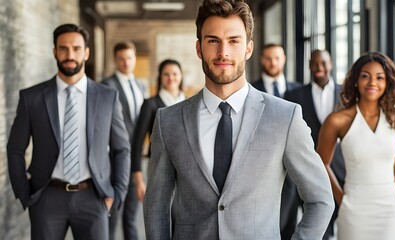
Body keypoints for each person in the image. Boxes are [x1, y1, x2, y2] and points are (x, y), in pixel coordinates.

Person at [143, 0, 334, 239]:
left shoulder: (285, 117)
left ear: (248, 48)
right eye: (213, 40)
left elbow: (320, 199)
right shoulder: (168, 120)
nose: (223, 52)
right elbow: (156, 206)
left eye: (234, 41)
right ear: (199, 48)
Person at [7, 23, 130, 240]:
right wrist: (26, 195)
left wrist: (117, 193)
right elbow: (15, 149)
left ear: (86, 53)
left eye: (76, 48)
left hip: (94, 197)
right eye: (63, 48)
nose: (69, 54)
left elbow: (121, 149)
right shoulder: (31, 98)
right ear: (54, 52)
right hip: (47, 198)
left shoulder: (107, 97)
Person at [317, 51, 395, 240]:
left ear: (387, 82)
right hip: (354, 209)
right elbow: (320, 162)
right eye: (365, 76)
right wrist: (342, 200)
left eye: (380, 77)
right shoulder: (337, 120)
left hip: (390, 210)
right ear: (356, 80)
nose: (372, 82)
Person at [285, 49, 345, 240]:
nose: (319, 67)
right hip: (310, 168)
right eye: (314, 64)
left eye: (324, 63)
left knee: (346, 224)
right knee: (319, 223)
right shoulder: (293, 95)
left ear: (331, 64)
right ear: (309, 66)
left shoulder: (347, 94)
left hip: (343, 168)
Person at [251, 43, 302, 239]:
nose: (273, 62)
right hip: (259, 167)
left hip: (292, 168)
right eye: (268, 58)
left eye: (277, 58)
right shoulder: (250, 90)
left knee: (289, 223)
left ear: (284, 59)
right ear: (261, 60)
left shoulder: (298, 91)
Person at [101, 41, 145, 240]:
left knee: (132, 216)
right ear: (115, 60)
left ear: (135, 58)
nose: (126, 63)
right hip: (115, 158)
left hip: (135, 159)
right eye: (121, 59)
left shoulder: (141, 85)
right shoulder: (106, 86)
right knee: (112, 215)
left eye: (129, 58)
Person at [131, 59, 185, 203]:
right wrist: (139, 181)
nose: (171, 78)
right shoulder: (150, 104)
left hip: (187, 169)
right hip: (159, 168)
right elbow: (137, 143)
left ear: (181, 76)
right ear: (160, 77)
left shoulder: (189, 103)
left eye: (175, 74)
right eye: (166, 74)